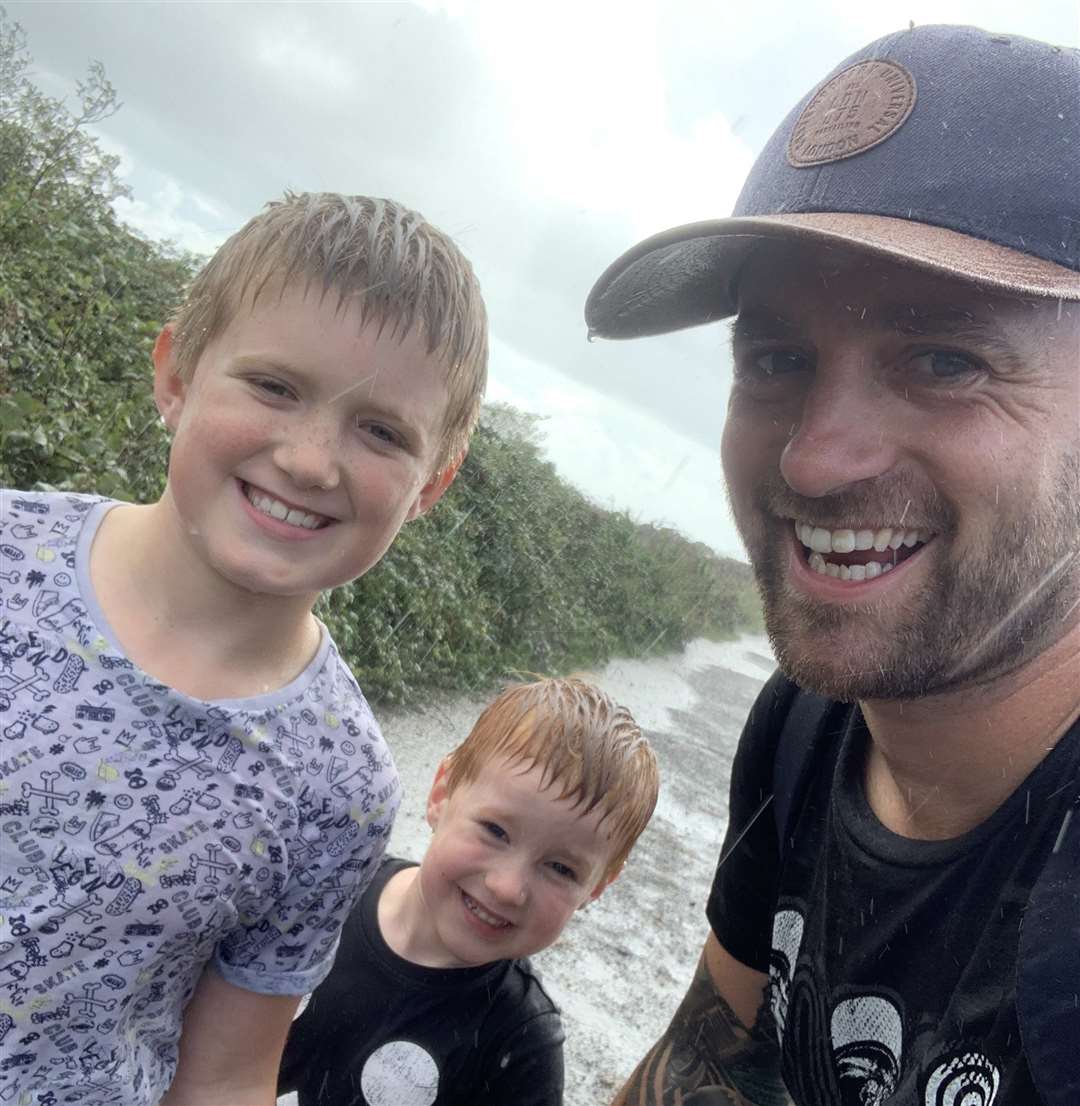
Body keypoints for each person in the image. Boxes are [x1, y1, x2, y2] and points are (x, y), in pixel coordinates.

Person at [585, 24, 1079, 1106]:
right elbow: (700, 1058)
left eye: (944, 358)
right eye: (778, 359)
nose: (813, 458)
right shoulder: (811, 725)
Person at [0, 191, 487, 1105]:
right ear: (175, 373)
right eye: (274, 386)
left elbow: (226, 1070)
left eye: (381, 431)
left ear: (432, 484)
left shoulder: (339, 785)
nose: (309, 460)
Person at [276, 676, 659, 1106]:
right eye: (495, 830)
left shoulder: (522, 1043)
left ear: (597, 887)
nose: (508, 887)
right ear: (442, 792)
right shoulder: (335, 885)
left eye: (560, 868)